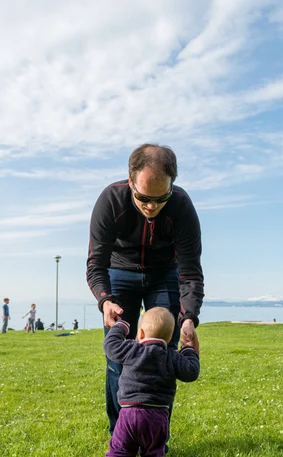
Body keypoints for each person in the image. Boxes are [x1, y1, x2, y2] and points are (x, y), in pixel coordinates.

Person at [86, 143, 204, 438]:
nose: (151, 206)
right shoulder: (110, 200)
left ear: (172, 186)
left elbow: (190, 272)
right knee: (118, 359)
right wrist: (105, 302)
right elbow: (95, 265)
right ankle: (120, 437)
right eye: (143, 198)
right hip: (119, 273)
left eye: (160, 198)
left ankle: (155, 440)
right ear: (130, 181)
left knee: (162, 358)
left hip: (164, 274)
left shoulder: (182, 207)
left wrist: (188, 317)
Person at [98, 307, 200, 457]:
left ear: (141, 333)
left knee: (118, 452)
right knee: (154, 455)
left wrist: (119, 327)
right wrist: (189, 349)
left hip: (128, 415)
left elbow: (110, 346)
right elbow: (191, 372)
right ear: (170, 336)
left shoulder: (132, 349)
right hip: (157, 417)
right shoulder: (172, 356)